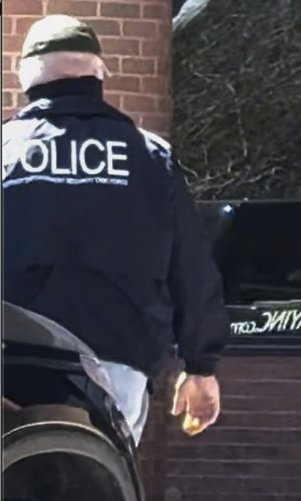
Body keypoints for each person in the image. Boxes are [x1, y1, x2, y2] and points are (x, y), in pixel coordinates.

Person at [3, 15, 229, 442]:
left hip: (13, 362)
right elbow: (191, 267)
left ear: (25, 76)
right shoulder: (151, 157)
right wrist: (201, 366)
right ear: (98, 73)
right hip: (118, 362)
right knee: (102, 478)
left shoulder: (6, 151)